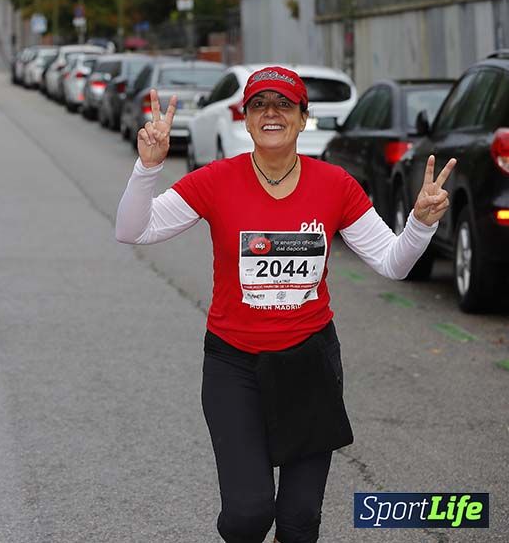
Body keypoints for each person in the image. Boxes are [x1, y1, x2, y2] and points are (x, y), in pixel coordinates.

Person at [115, 66, 456, 543]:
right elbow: (133, 230)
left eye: (284, 105)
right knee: (247, 515)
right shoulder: (216, 179)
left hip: (308, 365)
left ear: (303, 118)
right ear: (246, 119)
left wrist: (419, 224)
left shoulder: (335, 185)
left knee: (299, 524)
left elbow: (391, 262)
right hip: (234, 365)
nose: (271, 113)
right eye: (259, 105)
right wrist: (147, 167)